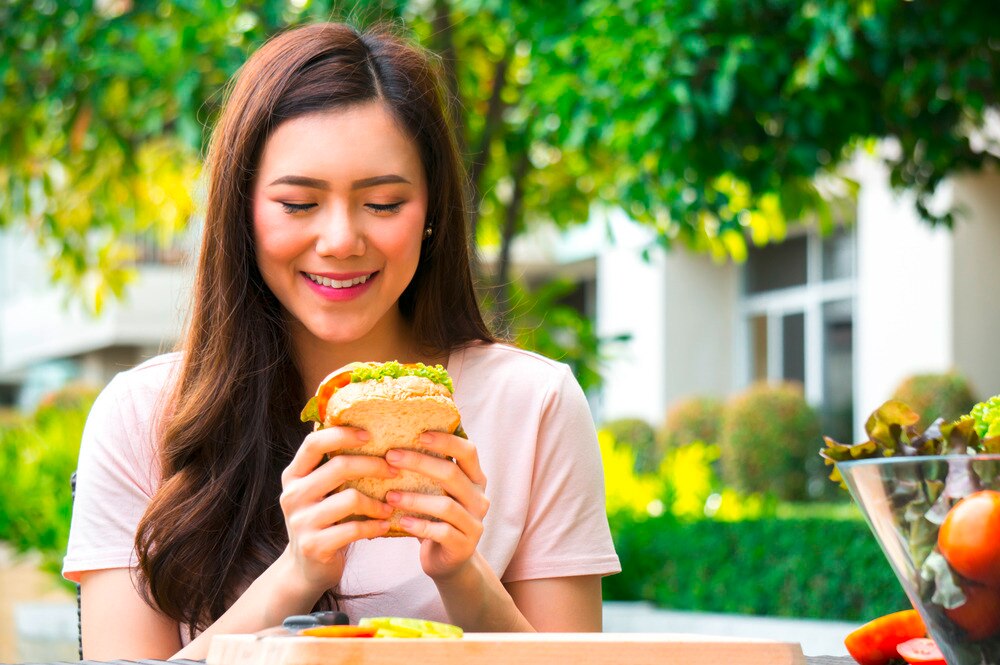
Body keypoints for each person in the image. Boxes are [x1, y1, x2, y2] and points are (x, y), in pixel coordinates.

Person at [63, 21, 620, 660]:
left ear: (433, 209)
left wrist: (463, 576)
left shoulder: (535, 405)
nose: (340, 241)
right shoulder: (142, 416)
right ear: (241, 213)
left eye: (382, 204)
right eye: (298, 204)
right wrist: (297, 576)